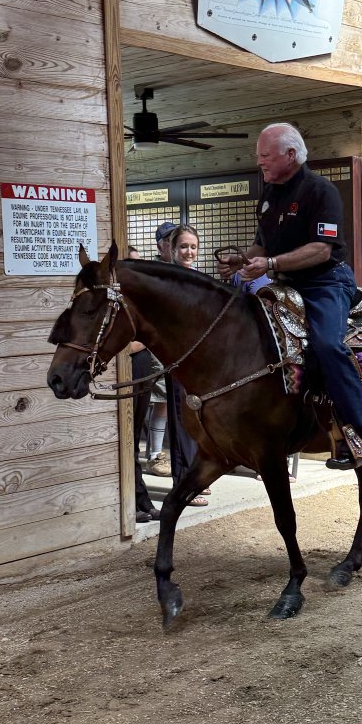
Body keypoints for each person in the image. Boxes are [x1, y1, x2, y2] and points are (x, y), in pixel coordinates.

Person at [218, 122, 362, 470]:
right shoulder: (269, 192)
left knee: (328, 345)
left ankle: (355, 437)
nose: (260, 162)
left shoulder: (321, 191)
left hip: (325, 282)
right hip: (283, 282)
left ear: (291, 155)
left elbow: (320, 250)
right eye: (259, 157)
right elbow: (262, 244)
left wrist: (269, 263)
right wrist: (241, 261)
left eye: (265, 156)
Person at [167, 224, 208, 507]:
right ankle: (184, 483)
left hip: (200, 360)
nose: (189, 252)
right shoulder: (169, 278)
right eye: (183, 246)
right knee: (182, 421)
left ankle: (197, 478)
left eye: (193, 246)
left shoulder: (198, 277)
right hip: (179, 358)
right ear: (172, 250)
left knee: (198, 420)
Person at [126, 247, 160, 524]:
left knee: (135, 436)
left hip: (140, 364)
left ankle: (141, 498)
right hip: (126, 366)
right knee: (125, 439)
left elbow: (149, 337)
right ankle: (133, 500)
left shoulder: (144, 299)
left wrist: (138, 344)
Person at [141, 221, 176, 479]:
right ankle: (154, 455)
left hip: (182, 345)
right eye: (170, 241)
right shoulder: (153, 272)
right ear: (161, 245)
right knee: (162, 401)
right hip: (158, 345)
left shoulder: (181, 270)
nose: (175, 247)